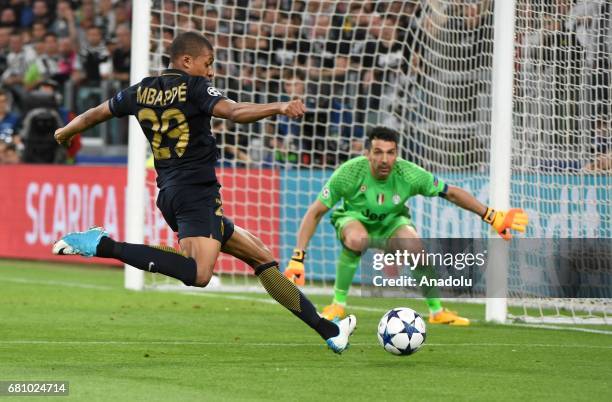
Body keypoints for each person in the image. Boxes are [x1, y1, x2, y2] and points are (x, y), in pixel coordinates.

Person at [51, 32, 355, 354]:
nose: (210, 72)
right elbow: (235, 112)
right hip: (195, 193)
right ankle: (103, 244)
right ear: (186, 61)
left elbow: (96, 113)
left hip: (173, 192)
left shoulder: (139, 91)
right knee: (199, 274)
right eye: (207, 63)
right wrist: (279, 106)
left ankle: (329, 330)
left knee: (262, 259)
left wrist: (65, 132)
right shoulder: (195, 87)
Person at [283, 127, 528, 324]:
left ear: (397, 153)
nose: (384, 159)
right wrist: (298, 257)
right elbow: (315, 212)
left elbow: (451, 193)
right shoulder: (349, 173)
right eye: (378, 152)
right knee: (357, 238)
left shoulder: (409, 174)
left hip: (392, 224)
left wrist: (491, 215)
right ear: (367, 153)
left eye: (390, 152)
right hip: (353, 221)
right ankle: (337, 305)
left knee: (416, 249)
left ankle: (436, 311)